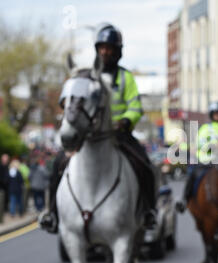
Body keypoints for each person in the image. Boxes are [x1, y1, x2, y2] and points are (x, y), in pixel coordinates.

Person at [39, 23, 157, 233]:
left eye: (110, 48)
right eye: (102, 47)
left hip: (119, 135)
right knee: (58, 162)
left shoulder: (125, 77)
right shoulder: (88, 77)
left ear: (118, 51)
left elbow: (135, 106)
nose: (105, 52)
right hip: (89, 135)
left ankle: (148, 211)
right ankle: (52, 213)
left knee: (145, 164)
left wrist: (125, 121)